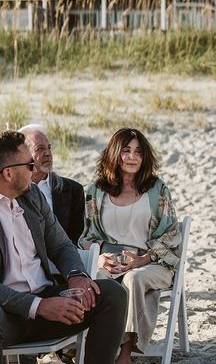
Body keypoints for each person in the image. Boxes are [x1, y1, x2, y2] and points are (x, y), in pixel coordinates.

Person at [0, 130, 127, 363]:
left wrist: (76, 275)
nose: (34, 169)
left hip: (48, 300)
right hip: (8, 315)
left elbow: (61, 245)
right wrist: (39, 306)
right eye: (29, 164)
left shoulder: (32, 197)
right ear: (8, 173)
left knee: (112, 295)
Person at [79, 128, 181, 364]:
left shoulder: (157, 189)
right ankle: (90, 347)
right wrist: (100, 257)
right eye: (126, 151)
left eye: (138, 151)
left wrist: (143, 259)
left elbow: (172, 233)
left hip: (152, 262)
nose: (132, 157)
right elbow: (86, 236)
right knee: (97, 278)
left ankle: (127, 352)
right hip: (111, 259)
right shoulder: (97, 191)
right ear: (115, 154)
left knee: (133, 279)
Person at [19, 124, 85, 245]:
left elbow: (77, 236)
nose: (48, 153)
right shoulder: (11, 190)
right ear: (23, 154)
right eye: (40, 149)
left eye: (49, 148)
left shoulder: (73, 190)